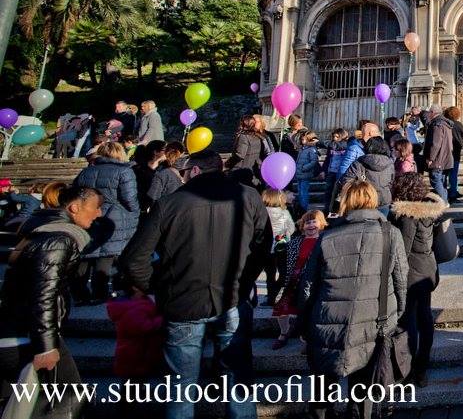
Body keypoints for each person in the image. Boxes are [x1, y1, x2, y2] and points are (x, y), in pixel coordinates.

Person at [119, 149, 272, 419]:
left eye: (185, 171)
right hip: (232, 299)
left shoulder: (169, 203)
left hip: (182, 301)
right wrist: (245, 280)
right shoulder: (248, 196)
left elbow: (134, 259)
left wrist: (157, 288)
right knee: (237, 380)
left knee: (180, 387)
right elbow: (263, 246)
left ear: (195, 171)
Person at [296, 180, 408, 419]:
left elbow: (307, 286)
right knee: (363, 394)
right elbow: (400, 280)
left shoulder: (327, 236)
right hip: (374, 322)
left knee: (322, 394)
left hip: (327, 321)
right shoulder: (390, 233)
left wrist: (302, 322)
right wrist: (396, 314)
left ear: (345, 201)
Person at [0, 185, 103, 418]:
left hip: (20, 328)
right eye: (96, 207)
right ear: (75, 207)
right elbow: (44, 293)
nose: (99, 213)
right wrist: (46, 347)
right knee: (67, 399)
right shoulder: (59, 239)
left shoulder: (44, 230)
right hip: (29, 333)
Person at [388, 172, 447, 387]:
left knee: (409, 320)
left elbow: (402, 249)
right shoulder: (430, 210)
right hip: (428, 268)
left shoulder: (408, 214)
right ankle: (422, 365)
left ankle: (413, 369)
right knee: (424, 318)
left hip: (411, 272)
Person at [72, 141, 139, 304]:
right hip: (115, 217)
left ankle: (80, 293)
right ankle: (99, 293)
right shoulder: (125, 172)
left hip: (88, 215)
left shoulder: (86, 172)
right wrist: (136, 213)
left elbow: (75, 191)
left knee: (86, 255)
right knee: (106, 256)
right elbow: (130, 200)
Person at [271, 210, 327, 350]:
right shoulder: (296, 241)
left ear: (321, 224)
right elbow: (282, 252)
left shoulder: (325, 241)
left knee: (308, 311)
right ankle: (284, 332)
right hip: (292, 279)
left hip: (312, 282)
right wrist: (280, 241)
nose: (311, 225)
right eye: (307, 222)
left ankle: (307, 339)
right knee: (280, 306)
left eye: (314, 221)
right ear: (303, 225)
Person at [106, 288, 165, 378]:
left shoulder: (130, 306)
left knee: (134, 379)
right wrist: (160, 320)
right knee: (134, 379)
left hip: (133, 352)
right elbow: (144, 326)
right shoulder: (134, 309)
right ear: (135, 290)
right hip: (134, 355)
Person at [339, 136, 395, 215]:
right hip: (384, 200)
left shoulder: (359, 163)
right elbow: (391, 182)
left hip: (363, 200)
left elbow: (346, 181)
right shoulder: (390, 164)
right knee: (382, 225)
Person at [262, 189, 295, 306]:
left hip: (266, 247)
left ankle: (270, 298)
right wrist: (285, 235)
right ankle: (277, 293)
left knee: (269, 274)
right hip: (282, 246)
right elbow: (291, 228)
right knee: (283, 273)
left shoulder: (262, 212)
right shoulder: (284, 212)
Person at [423, 105, 454, 204]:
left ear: (433, 112)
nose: (428, 114)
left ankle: (444, 202)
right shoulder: (445, 123)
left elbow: (436, 143)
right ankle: (444, 200)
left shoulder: (437, 124)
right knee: (441, 181)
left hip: (438, 159)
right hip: (445, 158)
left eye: (429, 112)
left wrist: (431, 158)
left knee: (435, 180)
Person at [226, 114, 266, 186]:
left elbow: (240, 155)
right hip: (255, 169)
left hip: (241, 170)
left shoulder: (244, 137)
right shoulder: (259, 136)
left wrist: (228, 162)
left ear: (244, 124)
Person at [444, 106, 463, 203]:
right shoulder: (458, 124)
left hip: (446, 153)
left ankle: (447, 192)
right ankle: (453, 192)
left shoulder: (445, 123)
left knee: (445, 174)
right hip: (456, 152)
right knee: (453, 174)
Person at [293, 131, 321, 211]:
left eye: (304, 139)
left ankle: (304, 208)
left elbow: (314, 161)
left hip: (305, 173)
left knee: (303, 192)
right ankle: (301, 207)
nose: (302, 141)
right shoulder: (302, 149)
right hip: (299, 174)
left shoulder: (312, 150)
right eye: (301, 139)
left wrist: (304, 168)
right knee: (300, 191)